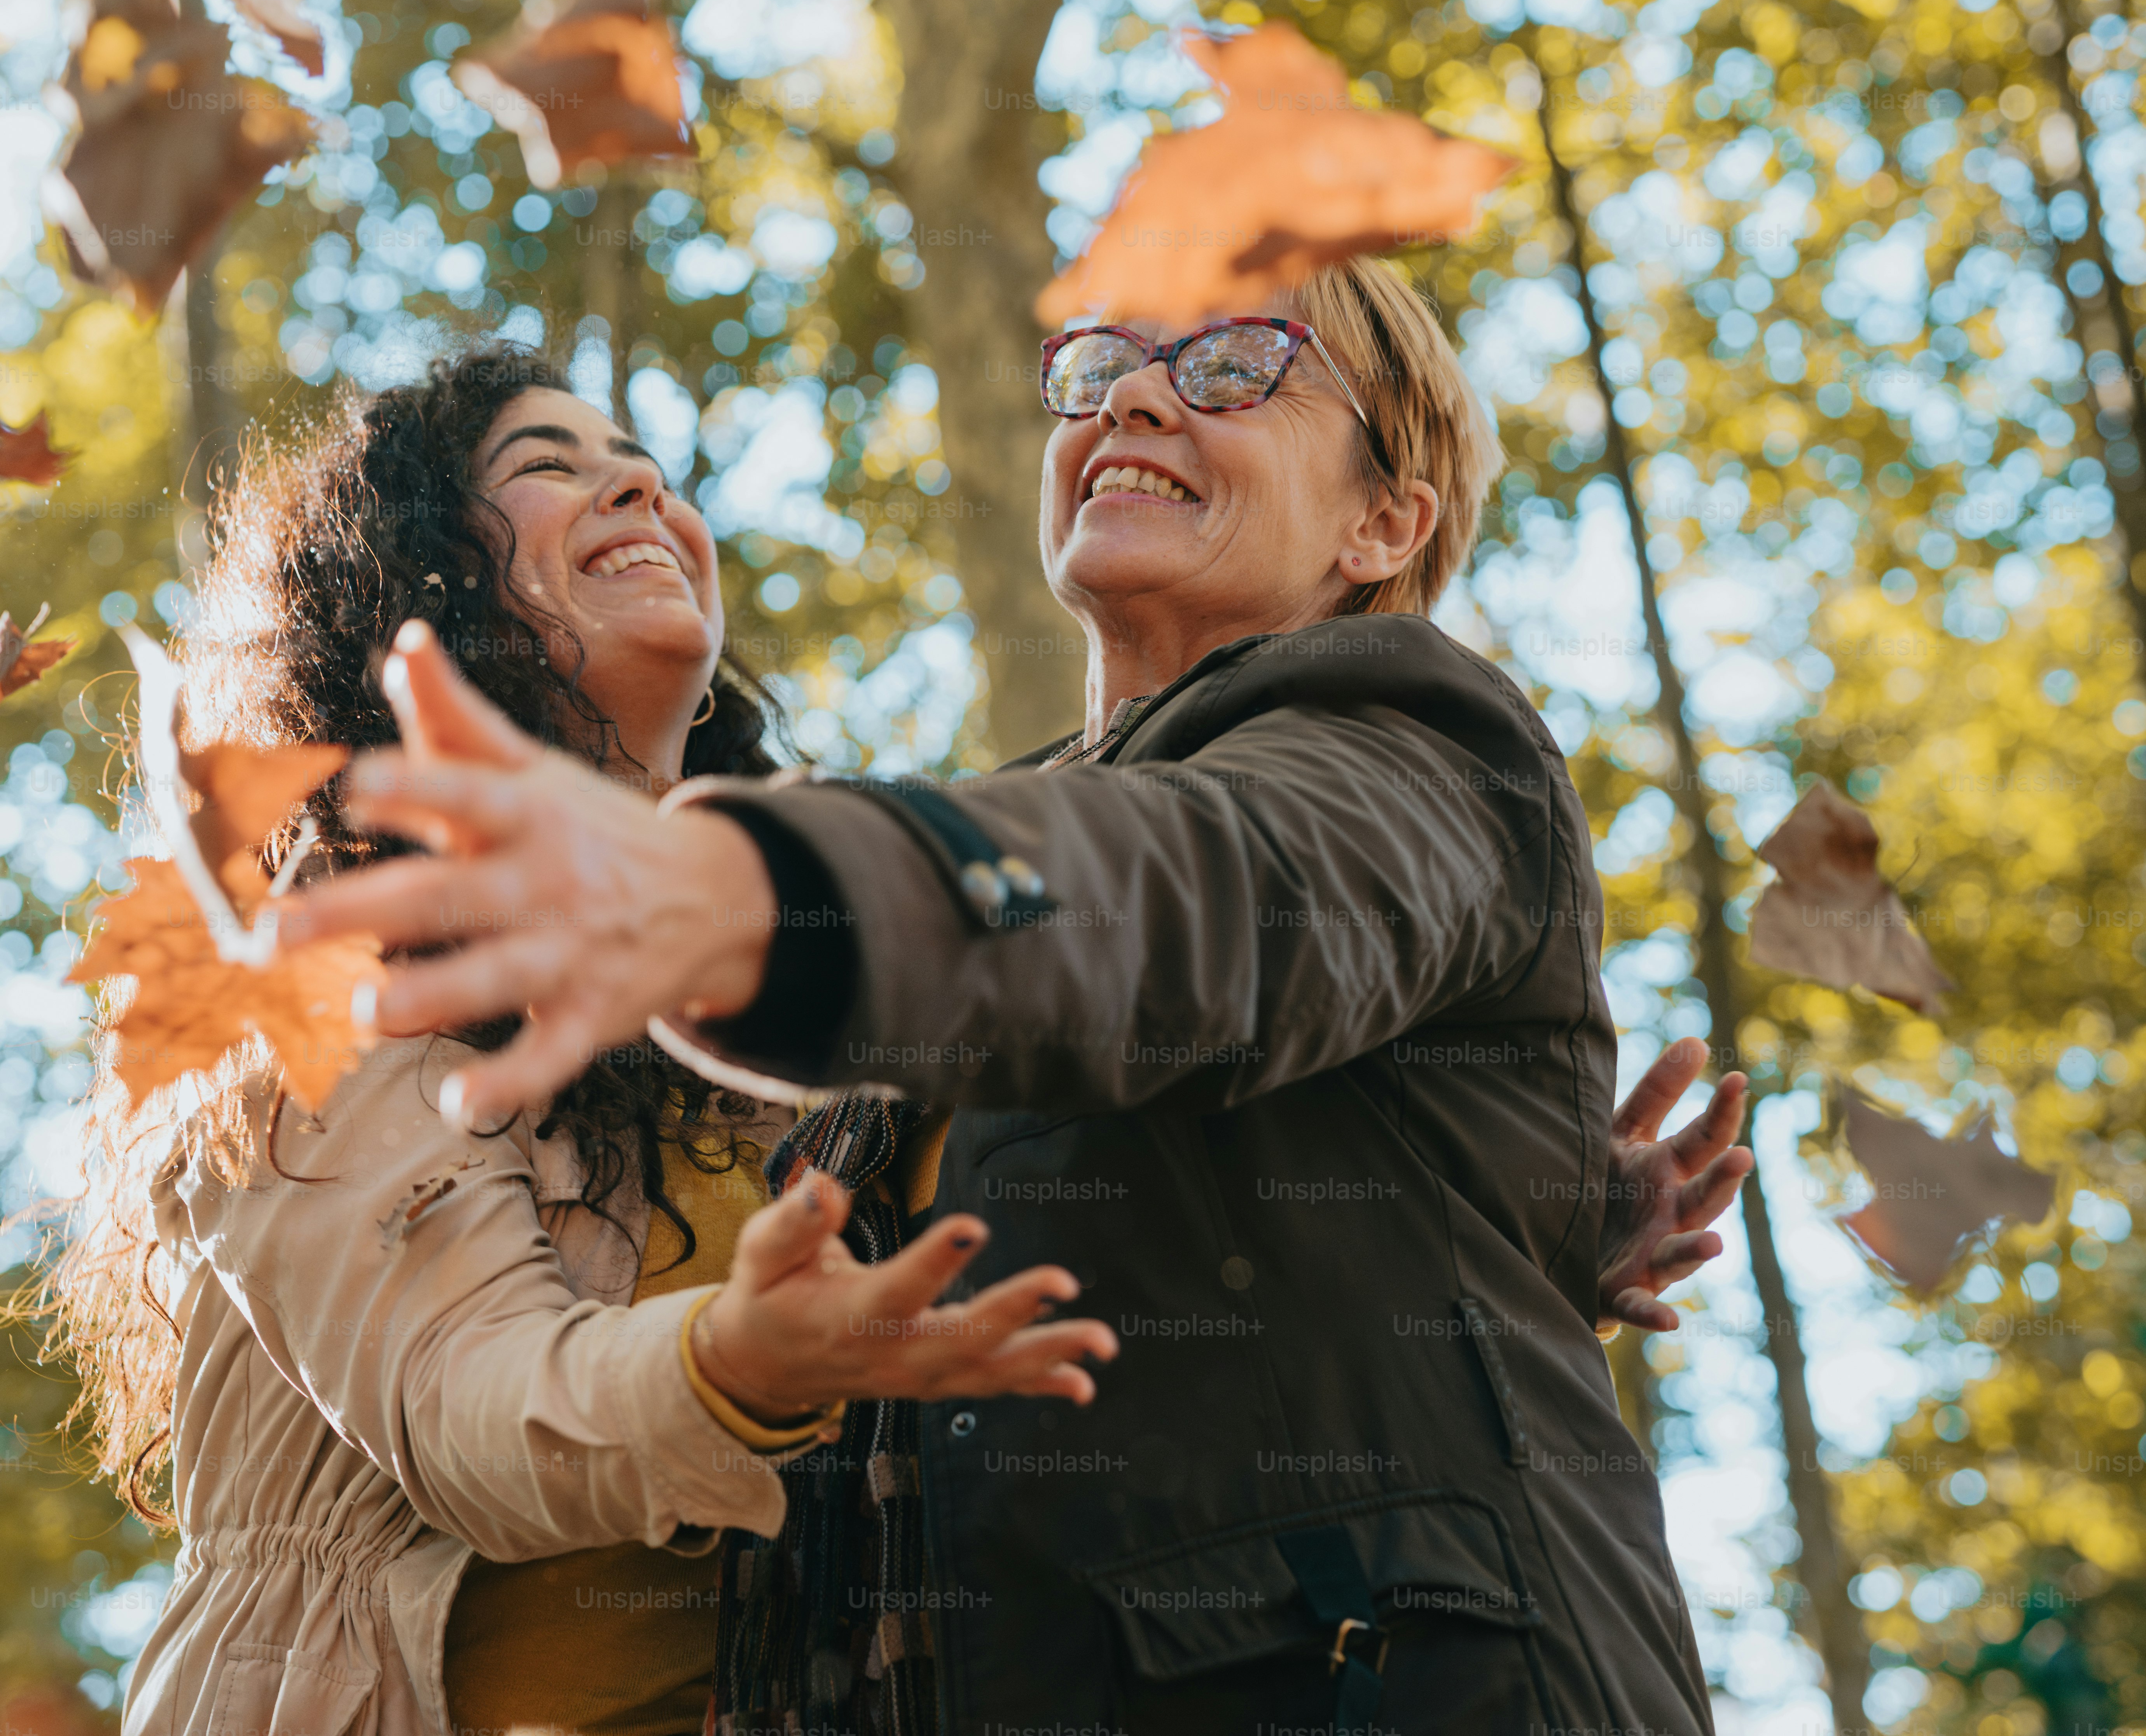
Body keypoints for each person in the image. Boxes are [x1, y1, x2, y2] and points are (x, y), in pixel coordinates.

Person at [280, 260, 1754, 1734]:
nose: (1135, 396)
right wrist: (1507, 1219)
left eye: (1234, 365)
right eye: (1104, 363)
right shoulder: (1013, 829)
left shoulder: (1423, 735)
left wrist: (747, 894)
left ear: (1385, 524)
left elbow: (1196, 897)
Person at [35, 349, 1118, 1736]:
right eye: (548, 463)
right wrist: (732, 1367)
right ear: (417, 583)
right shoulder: (316, 960)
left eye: (648, 468)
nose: (640, 489)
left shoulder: (791, 990)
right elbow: (469, 1410)